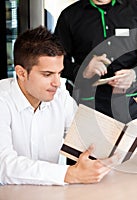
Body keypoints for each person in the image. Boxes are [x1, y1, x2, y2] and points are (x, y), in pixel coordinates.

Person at [0, 26, 116, 185]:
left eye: (59, 73)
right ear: (21, 73)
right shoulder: (2, 101)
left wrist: (113, 145)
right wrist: (70, 174)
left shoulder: (60, 97)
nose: (56, 83)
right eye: (47, 74)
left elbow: (86, 139)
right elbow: (4, 166)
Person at [54, 0, 137, 154]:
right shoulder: (70, 15)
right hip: (88, 106)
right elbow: (56, 61)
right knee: (86, 167)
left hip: (132, 104)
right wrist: (83, 70)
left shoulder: (134, 9)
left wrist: (135, 73)